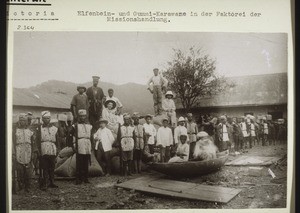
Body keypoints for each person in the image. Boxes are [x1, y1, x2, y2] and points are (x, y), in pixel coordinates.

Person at [12, 113, 38, 193]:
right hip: (19, 150)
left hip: (28, 150)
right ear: (19, 121)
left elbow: (33, 142)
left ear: (26, 121)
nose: (22, 122)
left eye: (24, 120)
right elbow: (12, 142)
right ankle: (21, 187)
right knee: (20, 169)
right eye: (21, 120)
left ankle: (28, 187)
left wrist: (34, 152)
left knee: (28, 169)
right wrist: (13, 153)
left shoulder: (30, 131)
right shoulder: (15, 131)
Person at [40, 111, 58, 190]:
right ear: (42, 119)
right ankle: (45, 183)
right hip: (44, 147)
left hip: (52, 147)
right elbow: (37, 140)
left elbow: (57, 139)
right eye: (45, 118)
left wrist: (57, 148)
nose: (47, 120)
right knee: (45, 166)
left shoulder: (54, 129)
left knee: (52, 166)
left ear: (50, 119)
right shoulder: (39, 128)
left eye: (48, 118)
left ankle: (52, 182)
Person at [74, 109, 93, 184]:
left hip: (87, 143)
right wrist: (74, 145)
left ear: (86, 116)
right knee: (79, 161)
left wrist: (92, 145)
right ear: (78, 117)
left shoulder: (89, 125)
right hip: (80, 142)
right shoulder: (75, 125)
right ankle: (78, 179)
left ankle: (85, 178)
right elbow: (72, 136)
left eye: (84, 116)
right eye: (81, 116)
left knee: (86, 160)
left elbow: (91, 136)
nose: (82, 118)